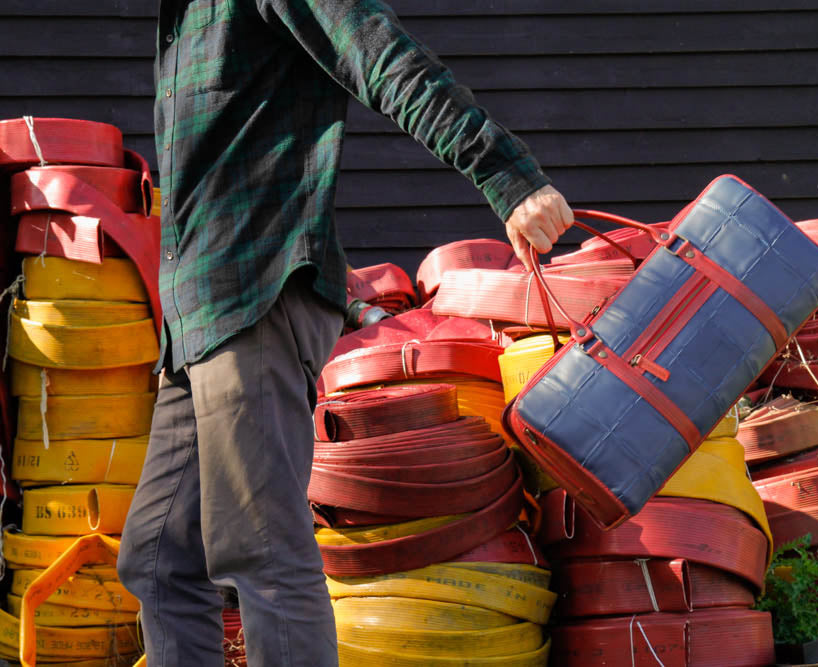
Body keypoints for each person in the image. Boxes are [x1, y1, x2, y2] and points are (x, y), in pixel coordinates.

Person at [116, 1, 574, 665]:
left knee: (261, 550)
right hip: (197, 321)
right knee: (159, 561)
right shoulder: (185, 15)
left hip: (256, 298)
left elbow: (381, 55)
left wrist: (506, 175)